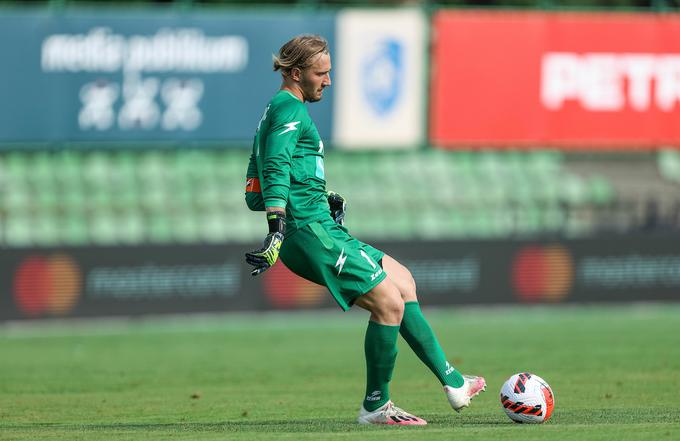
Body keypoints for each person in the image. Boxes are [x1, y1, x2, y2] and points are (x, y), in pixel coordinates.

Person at [244, 34, 485, 426]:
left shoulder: (284, 109)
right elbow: (273, 169)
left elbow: (279, 175)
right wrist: (277, 227)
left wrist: (323, 196)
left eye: (329, 72)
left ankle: (453, 381)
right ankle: (376, 407)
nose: (328, 81)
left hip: (318, 223)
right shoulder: (289, 109)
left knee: (402, 282)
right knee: (388, 304)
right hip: (308, 232)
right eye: (321, 73)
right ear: (294, 72)